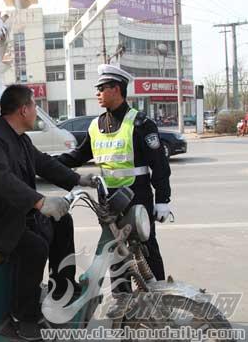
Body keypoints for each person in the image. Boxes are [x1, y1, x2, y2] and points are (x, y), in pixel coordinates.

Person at [0, 84, 96, 341]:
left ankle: (62, 289)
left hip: (13, 214)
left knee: (62, 220)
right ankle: (23, 316)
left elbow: (44, 163)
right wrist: (39, 202)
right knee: (35, 248)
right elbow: (2, 180)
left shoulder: (20, 139)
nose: (37, 111)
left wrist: (79, 180)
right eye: (35, 106)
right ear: (23, 109)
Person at [56, 64, 172, 318]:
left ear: (116, 89)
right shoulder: (96, 125)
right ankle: (124, 303)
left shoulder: (141, 123)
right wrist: (46, 162)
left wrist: (163, 200)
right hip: (108, 201)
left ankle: (158, 301)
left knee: (146, 246)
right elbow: (78, 155)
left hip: (137, 196)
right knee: (115, 250)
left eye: (101, 89)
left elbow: (159, 166)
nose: (97, 93)